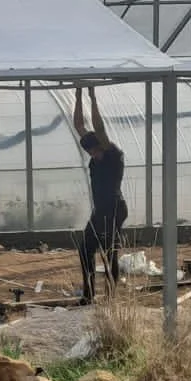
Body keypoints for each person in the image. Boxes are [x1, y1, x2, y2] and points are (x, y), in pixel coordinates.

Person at [72, 86, 127, 304]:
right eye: (90, 152)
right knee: (85, 249)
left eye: (95, 151)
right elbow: (79, 125)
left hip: (114, 209)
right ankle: (89, 296)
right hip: (99, 211)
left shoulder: (113, 154)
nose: (93, 155)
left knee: (109, 253)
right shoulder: (95, 155)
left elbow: (99, 128)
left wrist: (92, 97)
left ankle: (111, 298)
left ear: (102, 146)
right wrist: (78, 95)